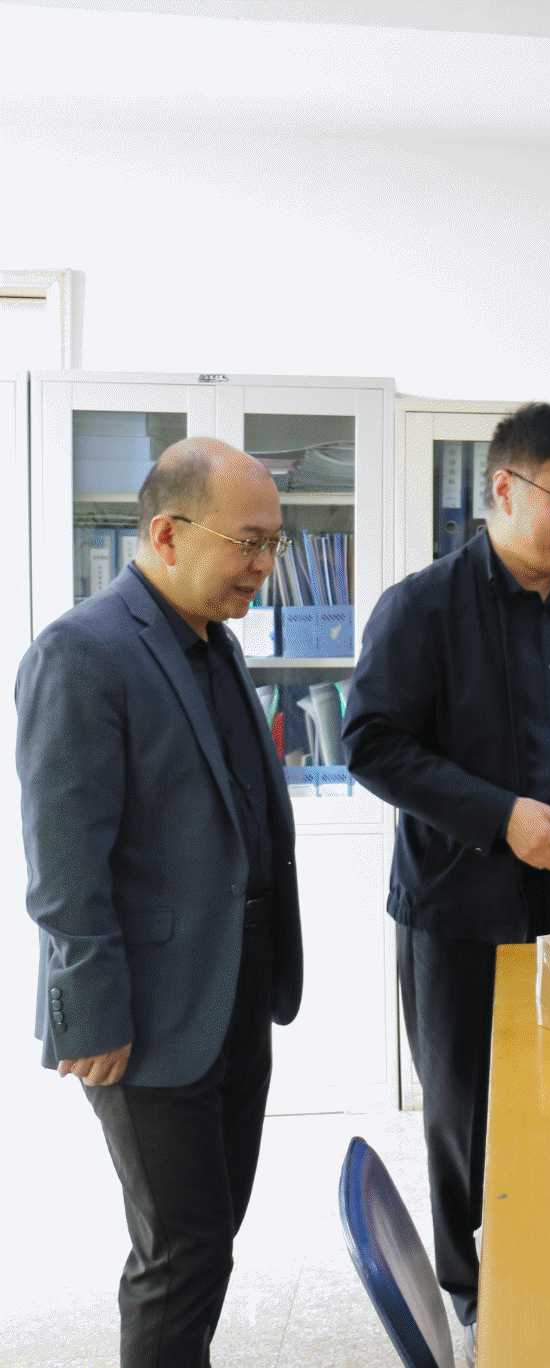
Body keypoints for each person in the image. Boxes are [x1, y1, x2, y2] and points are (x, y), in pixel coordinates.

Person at [342, 403, 550, 1356]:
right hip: (459, 904)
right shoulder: (422, 607)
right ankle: (475, 1293)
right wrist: (497, 815)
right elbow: (371, 742)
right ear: (504, 490)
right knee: (464, 1109)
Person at [16, 438, 304, 1367]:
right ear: (168, 534)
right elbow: (64, 859)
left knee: (212, 1231)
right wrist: (88, 1010)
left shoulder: (213, 641)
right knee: (181, 1252)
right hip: (143, 1009)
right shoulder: (83, 650)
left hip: (234, 986)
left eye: (273, 544)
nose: (263, 566)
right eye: (248, 543)